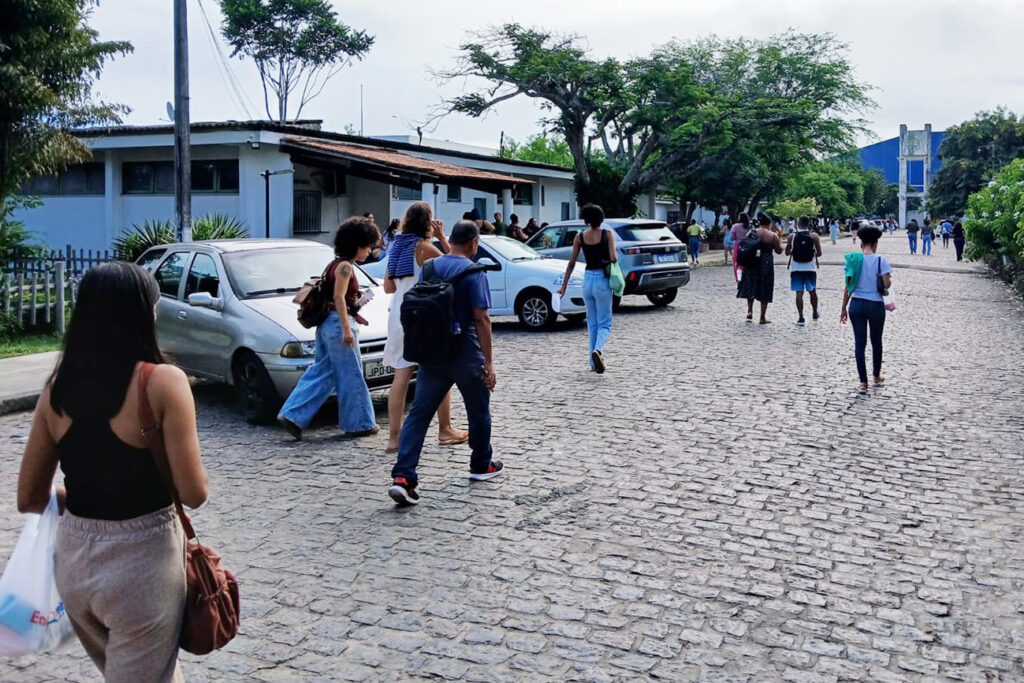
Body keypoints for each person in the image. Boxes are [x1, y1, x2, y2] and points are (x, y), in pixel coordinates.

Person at [17, 261, 208, 682]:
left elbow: (29, 497)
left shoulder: (57, 388)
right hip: (142, 567)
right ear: (144, 313)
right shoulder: (163, 382)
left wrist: (81, 493)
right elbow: (194, 492)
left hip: (74, 565)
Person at [388, 220, 502, 505]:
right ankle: (480, 465)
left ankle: (403, 477)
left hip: (431, 352)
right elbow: (481, 319)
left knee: (418, 415)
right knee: (478, 412)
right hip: (465, 352)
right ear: (475, 243)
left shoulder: (430, 267)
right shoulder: (474, 272)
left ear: (452, 238)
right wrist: (489, 362)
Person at [278, 217, 381, 440]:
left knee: (322, 371)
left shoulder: (334, 264)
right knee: (351, 374)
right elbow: (338, 297)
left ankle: (293, 414)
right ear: (358, 244)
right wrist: (346, 328)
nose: (368, 252)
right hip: (337, 323)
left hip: (326, 324)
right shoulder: (345, 266)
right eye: (367, 246)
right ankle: (360, 423)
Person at [381, 202, 468, 454]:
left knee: (401, 375)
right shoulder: (424, 248)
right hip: (424, 313)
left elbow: (389, 287)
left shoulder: (397, 247)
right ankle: (445, 429)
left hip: (398, 312)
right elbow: (457, 265)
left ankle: (394, 438)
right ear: (427, 222)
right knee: (439, 372)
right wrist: (442, 237)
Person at [558, 203, 617, 373]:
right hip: (602, 280)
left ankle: (592, 363)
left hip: (588, 280)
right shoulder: (607, 234)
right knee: (605, 323)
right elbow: (613, 258)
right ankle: (598, 350)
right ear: (601, 218)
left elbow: (571, 263)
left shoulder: (580, 237)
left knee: (592, 322)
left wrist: (563, 287)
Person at [841, 225, 892, 394]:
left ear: (861, 244)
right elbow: (886, 284)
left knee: (859, 343)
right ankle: (876, 376)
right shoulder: (881, 260)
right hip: (875, 305)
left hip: (856, 305)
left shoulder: (853, 260)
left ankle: (863, 382)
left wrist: (843, 308)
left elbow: (848, 286)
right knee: (876, 341)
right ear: (876, 243)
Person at [736, 214, 783, 324]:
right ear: (769, 224)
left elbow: (745, 244)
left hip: (751, 261)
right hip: (766, 263)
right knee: (765, 288)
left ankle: (750, 310)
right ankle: (762, 317)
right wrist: (780, 237)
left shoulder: (752, 232)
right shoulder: (772, 235)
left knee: (751, 285)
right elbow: (779, 251)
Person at [785, 215, 823, 326]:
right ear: (808, 224)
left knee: (799, 293)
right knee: (812, 291)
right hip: (810, 268)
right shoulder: (814, 235)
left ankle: (801, 317)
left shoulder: (791, 236)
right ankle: (815, 312)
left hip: (796, 268)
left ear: (798, 224)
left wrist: (792, 250)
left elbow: (787, 253)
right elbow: (819, 253)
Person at [729, 213, 753, 283]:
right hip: (749, 246)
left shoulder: (735, 226)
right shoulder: (750, 226)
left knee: (737, 263)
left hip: (738, 245)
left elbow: (732, 238)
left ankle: (739, 279)